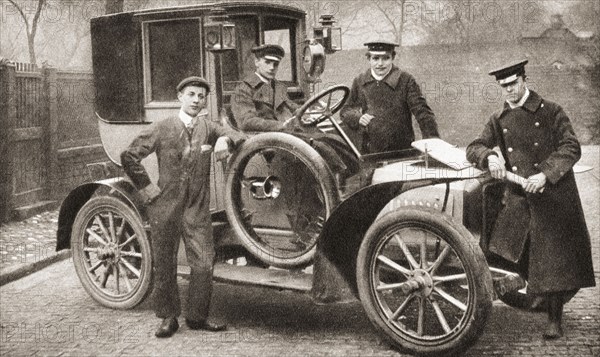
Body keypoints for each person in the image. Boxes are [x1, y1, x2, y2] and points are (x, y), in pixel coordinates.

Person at [466, 59, 595, 339]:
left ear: (524, 79)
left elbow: (571, 146)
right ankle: (531, 296)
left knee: (553, 260)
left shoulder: (551, 111)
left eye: (513, 84)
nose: (509, 91)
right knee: (503, 248)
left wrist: (545, 175)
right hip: (519, 196)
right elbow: (473, 146)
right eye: (503, 87)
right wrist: (488, 157)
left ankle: (554, 319)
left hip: (553, 196)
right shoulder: (498, 120)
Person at [121, 76, 246, 338]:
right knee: (164, 263)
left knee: (203, 262)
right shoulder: (163, 127)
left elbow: (235, 134)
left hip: (197, 208)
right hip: (164, 206)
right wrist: (147, 188)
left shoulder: (208, 128)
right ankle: (168, 317)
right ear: (180, 97)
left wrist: (225, 141)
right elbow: (129, 155)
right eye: (191, 95)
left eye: (201, 97)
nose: (196, 101)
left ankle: (197, 317)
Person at [231, 44, 359, 186]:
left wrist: (312, 112)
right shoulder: (243, 89)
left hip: (287, 134)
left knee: (333, 139)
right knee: (318, 146)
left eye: (276, 64)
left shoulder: (278, 86)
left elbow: (292, 107)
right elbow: (247, 122)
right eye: (267, 62)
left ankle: (343, 181)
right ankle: (330, 186)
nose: (272, 67)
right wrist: (282, 125)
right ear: (257, 62)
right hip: (265, 139)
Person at [340, 41, 440, 154]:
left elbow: (423, 113)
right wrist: (358, 118)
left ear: (393, 57)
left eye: (385, 58)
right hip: (370, 152)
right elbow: (345, 110)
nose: (380, 64)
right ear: (369, 59)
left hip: (402, 151)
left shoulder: (406, 80)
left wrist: (433, 146)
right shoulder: (360, 81)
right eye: (375, 58)